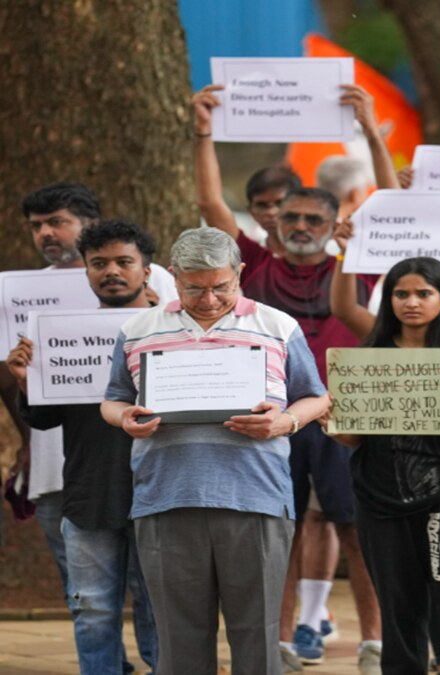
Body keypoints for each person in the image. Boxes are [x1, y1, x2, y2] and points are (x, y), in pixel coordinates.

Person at [193, 82, 389, 672]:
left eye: (313, 217)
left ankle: (375, 644)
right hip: (270, 415)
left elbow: (395, 201)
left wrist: (374, 129)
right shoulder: (249, 265)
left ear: (334, 223)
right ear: (275, 221)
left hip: (347, 412)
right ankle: (277, 642)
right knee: (279, 530)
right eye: (291, 215)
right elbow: (210, 208)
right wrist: (203, 132)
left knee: (357, 532)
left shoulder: (359, 263)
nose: (300, 224)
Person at [100, 227, 330, 675]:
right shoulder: (138, 328)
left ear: (240, 273)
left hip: (255, 497)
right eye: (194, 289)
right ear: (173, 277)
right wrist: (123, 418)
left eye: (220, 287)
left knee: (258, 637)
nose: (208, 300)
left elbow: (317, 397)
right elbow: (113, 398)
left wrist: (285, 421)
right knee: (178, 639)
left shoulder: (276, 325)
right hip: (166, 497)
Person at [4, 182, 179, 611]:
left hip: (145, 464)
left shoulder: (157, 281)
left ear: (90, 225)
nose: (46, 233)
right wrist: (25, 438)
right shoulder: (18, 292)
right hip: (59, 461)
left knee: (151, 596)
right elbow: (12, 378)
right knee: (88, 599)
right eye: (37, 226)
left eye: (57, 222)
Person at [329, 257, 440, 675]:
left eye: (423, 294)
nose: (412, 303)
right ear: (388, 300)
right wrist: (335, 429)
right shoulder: (368, 358)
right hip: (380, 493)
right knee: (397, 602)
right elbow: (355, 437)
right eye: (401, 294)